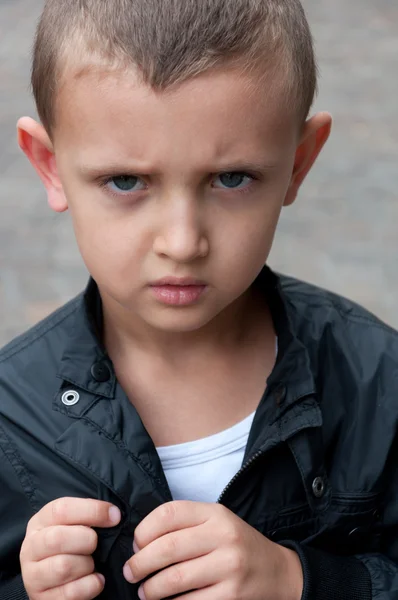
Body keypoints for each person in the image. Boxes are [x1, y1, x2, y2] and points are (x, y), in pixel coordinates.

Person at [0, 0, 397, 598]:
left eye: (231, 178)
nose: (182, 242)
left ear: (299, 162)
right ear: (50, 165)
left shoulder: (377, 382)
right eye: (126, 181)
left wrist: (302, 582)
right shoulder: (10, 417)